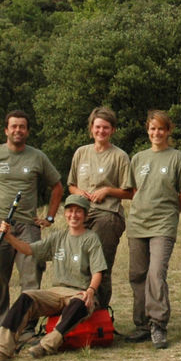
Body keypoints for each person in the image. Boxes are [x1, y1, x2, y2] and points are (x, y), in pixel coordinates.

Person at [0, 110, 63, 350]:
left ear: (27, 131)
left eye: (22, 127)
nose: (18, 130)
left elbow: (57, 186)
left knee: (31, 277)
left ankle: (26, 330)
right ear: (6, 130)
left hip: (27, 224)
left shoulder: (37, 157)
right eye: (14, 127)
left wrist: (49, 216)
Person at [0, 194, 108, 361]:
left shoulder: (91, 239)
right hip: (56, 292)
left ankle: (46, 345)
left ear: (85, 216)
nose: (74, 215)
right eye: (70, 211)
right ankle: (2, 350)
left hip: (79, 292)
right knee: (25, 298)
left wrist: (91, 291)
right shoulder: (57, 237)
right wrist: (9, 237)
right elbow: (28, 250)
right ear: (65, 214)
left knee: (80, 304)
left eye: (79, 212)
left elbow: (98, 271)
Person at [124, 110, 181, 350]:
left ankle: (158, 324)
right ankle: (142, 324)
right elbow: (133, 191)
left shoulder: (177, 158)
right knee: (137, 275)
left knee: (156, 273)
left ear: (168, 131)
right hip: (137, 224)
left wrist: (171, 214)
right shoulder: (138, 158)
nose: (156, 133)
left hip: (163, 225)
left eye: (161, 128)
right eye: (152, 128)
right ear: (147, 130)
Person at [66, 106, 135, 309]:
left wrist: (107, 191)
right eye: (97, 127)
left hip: (107, 215)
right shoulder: (81, 153)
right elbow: (71, 185)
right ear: (91, 129)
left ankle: (100, 312)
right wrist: (79, 194)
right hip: (81, 214)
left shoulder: (120, 156)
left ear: (112, 130)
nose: (101, 131)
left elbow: (129, 192)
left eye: (106, 128)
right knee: (77, 263)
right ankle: (77, 309)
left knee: (100, 265)